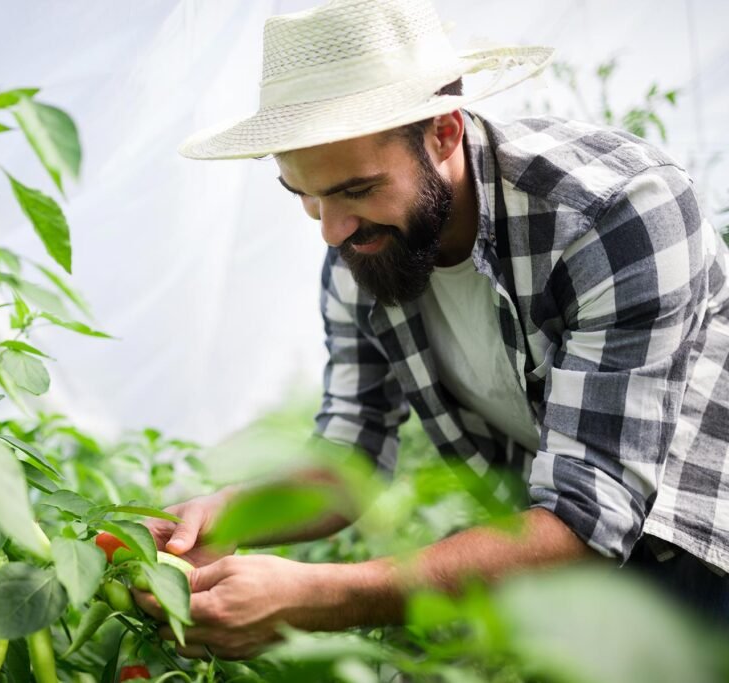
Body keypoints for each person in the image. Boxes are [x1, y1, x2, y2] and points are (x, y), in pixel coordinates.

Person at [134, 0, 729, 659]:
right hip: (553, 543)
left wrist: (325, 593)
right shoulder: (365, 254)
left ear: (444, 132)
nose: (330, 230)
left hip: (698, 532)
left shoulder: (612, 212)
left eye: (355, 189)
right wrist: (228, 512)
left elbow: (588, 517)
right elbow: (349, 458)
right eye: (304, 194)